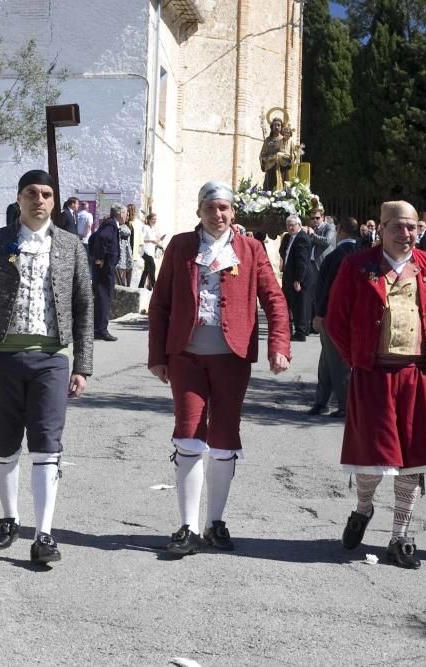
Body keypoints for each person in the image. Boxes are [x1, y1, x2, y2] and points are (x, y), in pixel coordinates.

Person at [148, 180, 291, 556]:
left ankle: (215, 522)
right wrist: (157, 356)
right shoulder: (181, 246)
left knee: (225, 434)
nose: (218, 215)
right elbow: (160, 304)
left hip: (232, 357)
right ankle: (187, 527)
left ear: (233, 213)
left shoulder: (250, 248)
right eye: (211, 208)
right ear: (199, 211)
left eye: (224, 208)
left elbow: (274, 299)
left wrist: (279, 345)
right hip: (187, 356)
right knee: (189, 432)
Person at [0, 169, 93, 565]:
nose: (40, 200)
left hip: (52, 359)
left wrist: (82, 365)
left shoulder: (71, 246)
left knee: (46, 443)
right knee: (3, 441)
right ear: (19, 199)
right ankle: (9, 519)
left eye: (47, 194)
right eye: (32, 193)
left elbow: (85, 306)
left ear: (55, 201)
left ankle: (44, 533)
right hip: (1, 357)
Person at [325, 201, 426, 569]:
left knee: (413, 460)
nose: (406, 234)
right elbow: (336, 321)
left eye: (412, 227)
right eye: (398, 227)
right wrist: (361, 359)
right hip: (374, 375)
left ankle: (400, 536)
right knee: (373, 458)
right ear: (380, 229)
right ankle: (363, 508)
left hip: (416, 376)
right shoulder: (357, 266)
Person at [309, 217, 361, 417]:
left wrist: (319, 314)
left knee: (338, 362)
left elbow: (327, 289)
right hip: (352, 315)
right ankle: (321, 401)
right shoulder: (361, 253)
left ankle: (345, 405)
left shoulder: (337, 256)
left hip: (333, 316)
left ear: (339, 230)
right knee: (327, 360)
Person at [89, 203, 123, 341]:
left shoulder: (109, 223)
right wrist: (100, 257)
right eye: (125, 213)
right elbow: (102, 238)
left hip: (105, 265)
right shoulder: (111, 224)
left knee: (101, 296)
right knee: (104, 297)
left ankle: (97, 328)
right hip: (105, 266)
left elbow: (93, 238)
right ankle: (101, 330)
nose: (127, 216)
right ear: (120, 213)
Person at [281, 214, 314, 341]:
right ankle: (293, 329)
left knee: (300, 304)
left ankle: (300, 331)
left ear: (299, 225)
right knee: (290, 303)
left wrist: (298, 279)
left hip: (300, 276)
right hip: (289, 275)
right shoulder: (289, 237)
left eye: (292, 225)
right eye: (288, 225)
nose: (290, 228)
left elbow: (302, 261)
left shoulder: (302, 238)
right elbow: (283, 251)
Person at [259, 115, 295, 191]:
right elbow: (262, 155)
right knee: (269, 191)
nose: (277, 127)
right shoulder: (268, 140)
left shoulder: (287, 140)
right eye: (275, 125)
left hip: (283, 170)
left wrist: (283, 157)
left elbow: (292, 156)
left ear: (282, 127)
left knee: (283, 191)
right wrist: (269, 159)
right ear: (272, 127)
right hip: (270, 169)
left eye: (279, 125)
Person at [139, 212, 165, 290]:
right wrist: (151, 241)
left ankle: (140, 286)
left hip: (151, 252)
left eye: (155, 219)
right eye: (153, 219)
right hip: (145, 251)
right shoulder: (145, 227)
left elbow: (156, 240)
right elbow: (142, 239)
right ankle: (155, 286)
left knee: (147, 270)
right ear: (149, 219)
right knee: (153, 267)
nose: (154, 221)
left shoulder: (154, 229)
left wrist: (159, 241)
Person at [115, 206, 135, 287]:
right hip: (121, 252)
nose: (128, 217)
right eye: (127, 215)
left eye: (129, 215)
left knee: (128, 270)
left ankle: (127, 287)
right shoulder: (118, 225)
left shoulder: (128, 225)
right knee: (120, 275)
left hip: (127, 252)